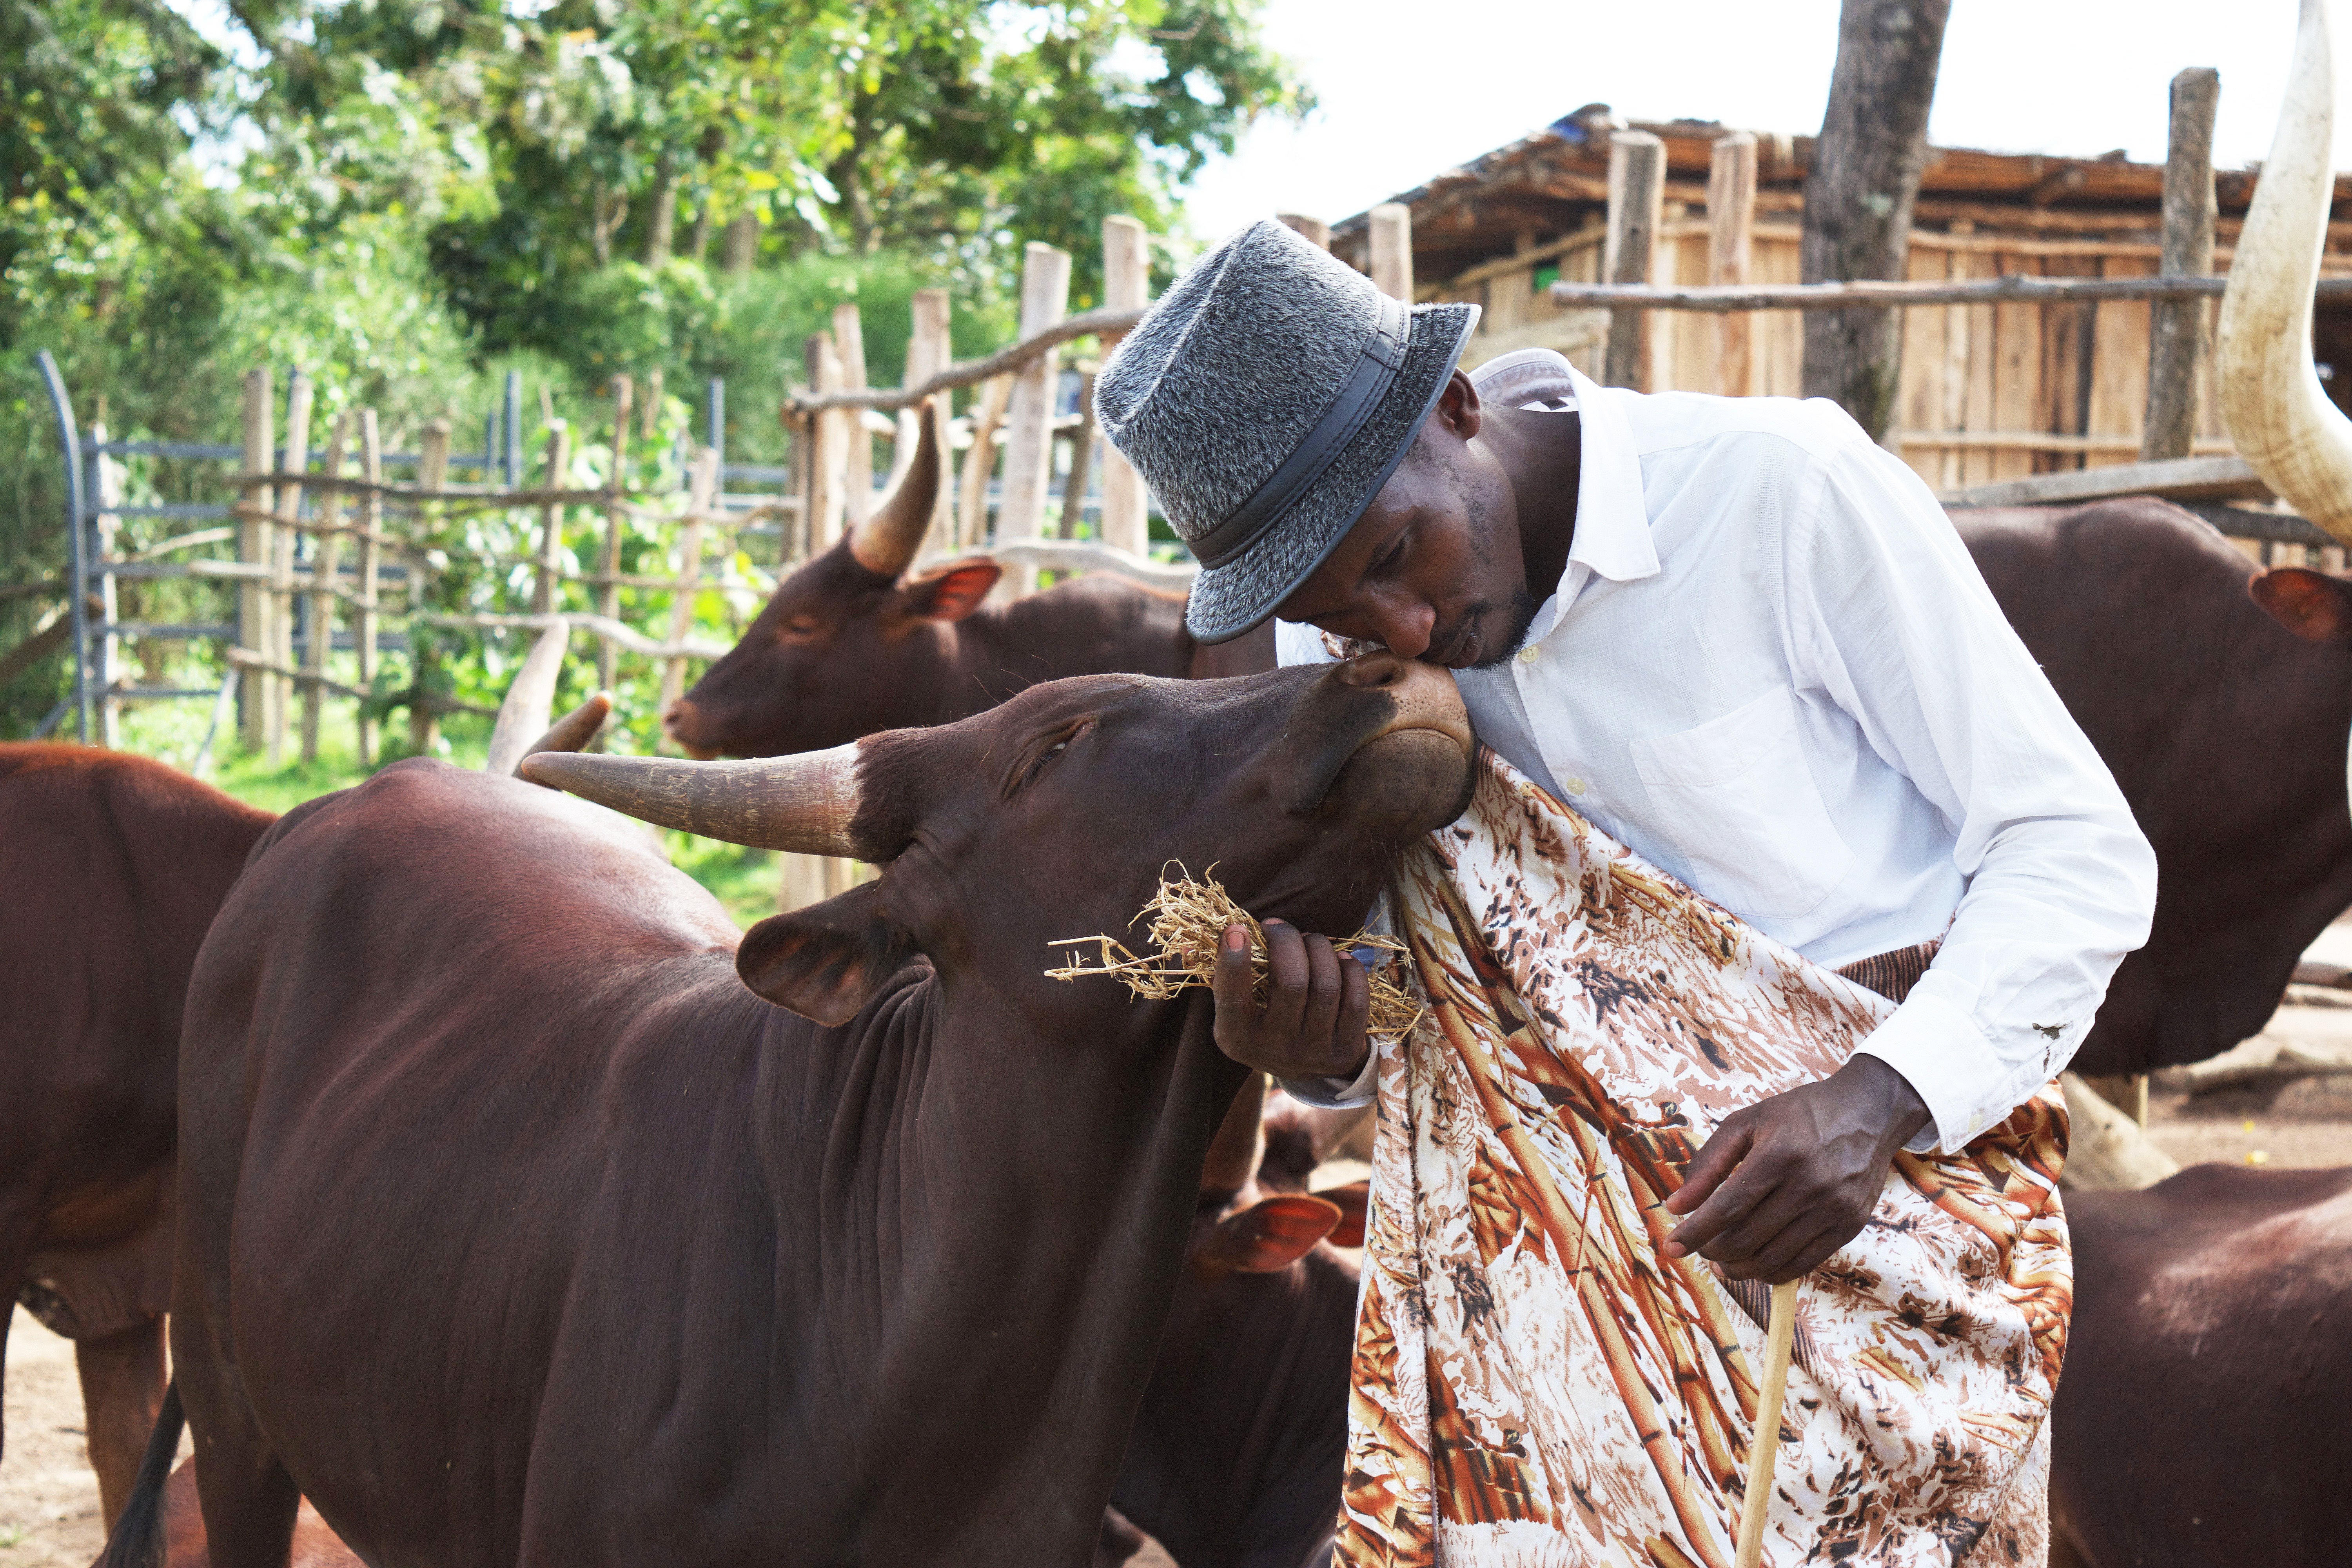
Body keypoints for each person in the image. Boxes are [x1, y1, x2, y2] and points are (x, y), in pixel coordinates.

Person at [1094, 217, 2154, 1566]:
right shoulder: (1329, 648)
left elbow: (2077, 849)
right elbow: (1397, 1003)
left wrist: (1876, 1104)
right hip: (1550, 1320)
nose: (1403, 635)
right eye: (1344, 617)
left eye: (1395, 558)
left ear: (1459, 408)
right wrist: (1325, 1042)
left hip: (1880, 1220)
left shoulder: (1780, 491)